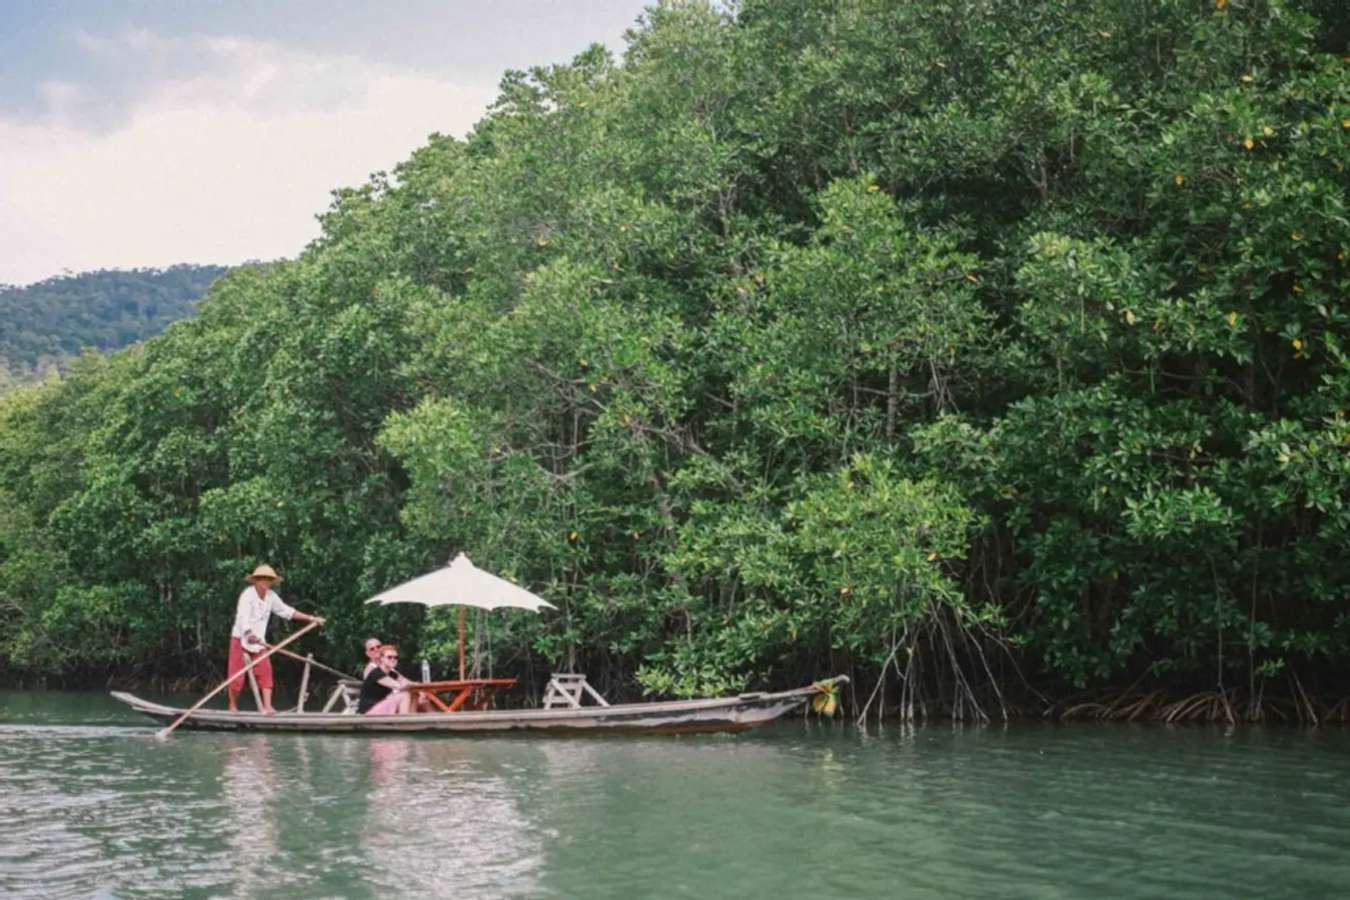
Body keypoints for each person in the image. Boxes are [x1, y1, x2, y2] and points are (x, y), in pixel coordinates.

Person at [228, 563, 325, 714]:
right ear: (255, 580)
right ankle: (233, 706)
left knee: (266, 672)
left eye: (268, 579)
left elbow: (287, 611)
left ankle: (267, 707)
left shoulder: (271, 596)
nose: (265, 582)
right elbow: (243, 618)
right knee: (237, 676)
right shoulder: (247, 595)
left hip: (259, 642)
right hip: (241, 638)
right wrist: (249, 634)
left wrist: (311, 618)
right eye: (262, 579)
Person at [359, 644, 414, 715]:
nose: (393, 659)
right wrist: (412, 686)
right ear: (382, 658)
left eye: (395, 657)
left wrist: (421, 689)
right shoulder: (376, 673)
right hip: (369, 711)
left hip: (381, 707)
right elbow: (400, 686)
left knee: (415, 694)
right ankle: (405, 722)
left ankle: (412, 720)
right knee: (404, 694)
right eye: (389, 657)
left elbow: (408, 682)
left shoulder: (392, 673)